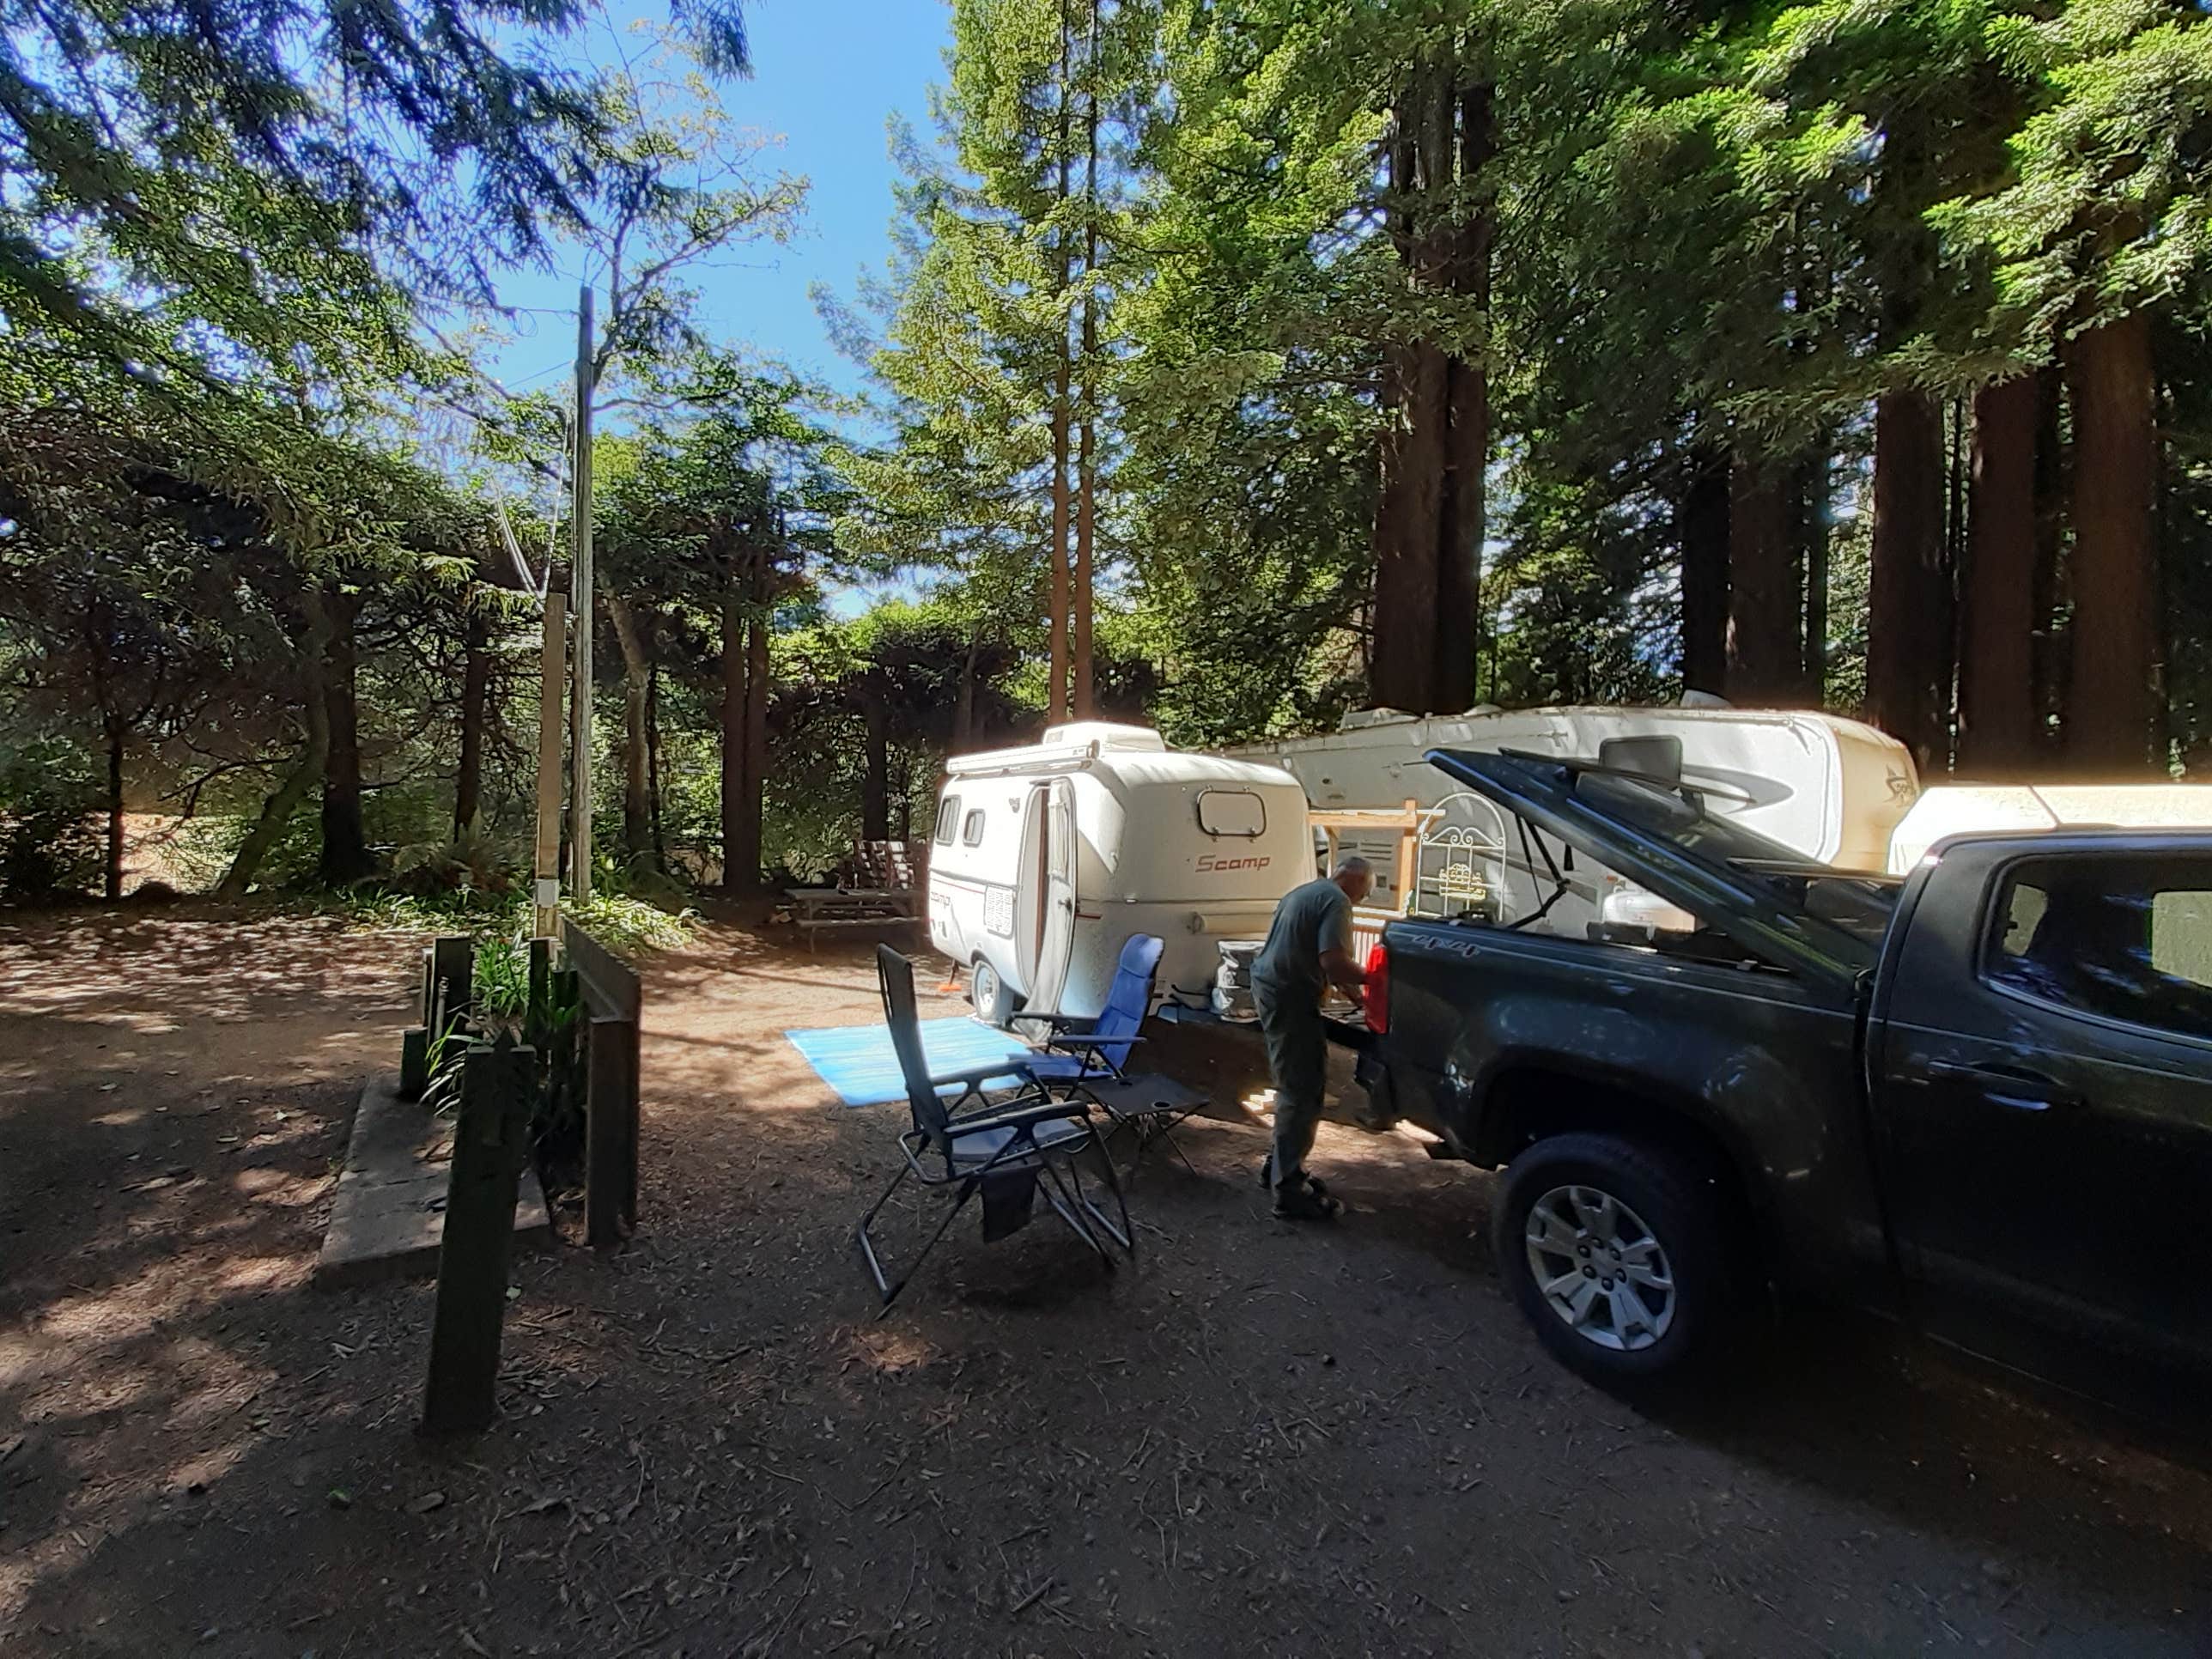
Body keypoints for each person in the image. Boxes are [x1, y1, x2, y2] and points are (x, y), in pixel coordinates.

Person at [1252, 855, 1371, 1220]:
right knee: (1302, 1089)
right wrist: (1376, 978)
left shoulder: (1308, 891)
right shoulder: (1337, 901)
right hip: (1289, 995)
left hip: (1271, 987)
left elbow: (1323, 963)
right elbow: (1333, 962)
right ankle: (1288, 1190)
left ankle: (1277, 1166)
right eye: (1366, 892)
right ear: (1355, 881)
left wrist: (1357, 997)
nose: (1363, 900)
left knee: (1291, 1080)